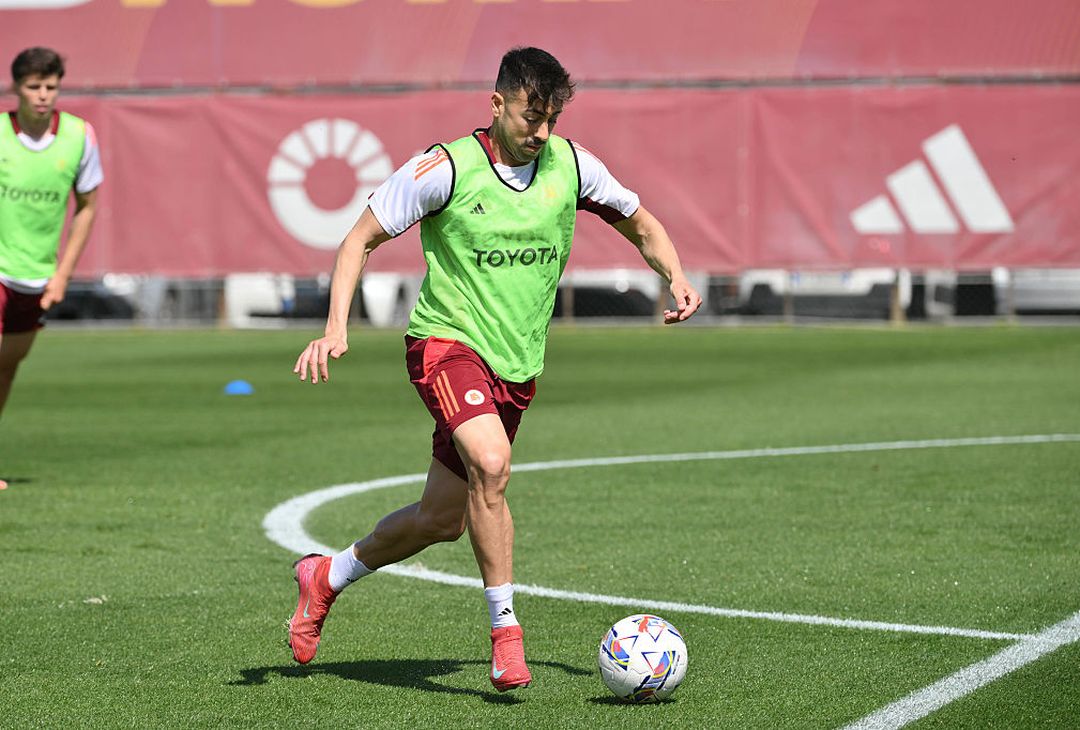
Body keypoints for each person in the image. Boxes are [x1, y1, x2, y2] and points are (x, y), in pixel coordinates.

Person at [290, 46, 701, 691]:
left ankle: (327, 575)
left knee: (441, 520)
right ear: (497, 103)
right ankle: (506, 634)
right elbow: (357, 239)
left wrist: (674, 274)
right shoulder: (445, 167)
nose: (540, 132)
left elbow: (640, 223)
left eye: (551, 120)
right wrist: (336, 326)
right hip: (445, 345)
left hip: (517, 364)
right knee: (492, 464)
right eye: (529, 117)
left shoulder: (572, 166)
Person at [0, 47, 103, 488]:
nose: (42, 95)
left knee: (8, 365)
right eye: (33, 87)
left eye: (50, 87)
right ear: (16, 88)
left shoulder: (80, 136)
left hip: (38, 276)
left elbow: (87, 207)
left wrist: (62, 274)